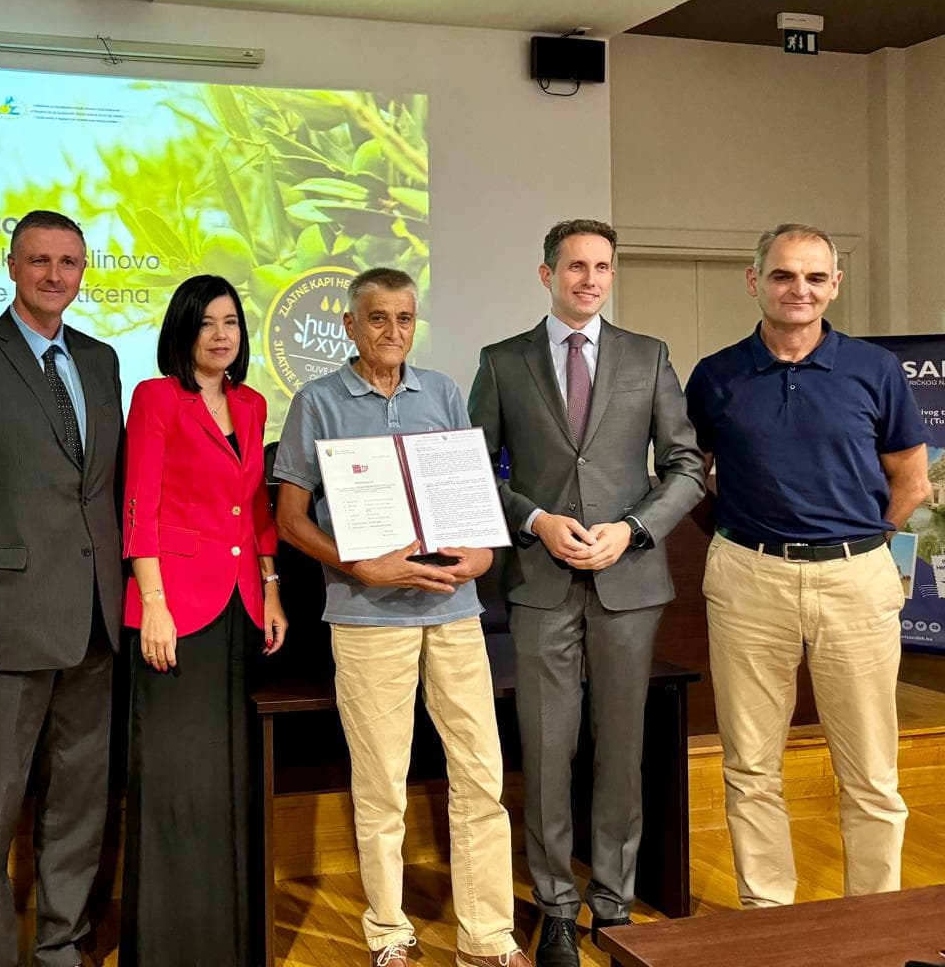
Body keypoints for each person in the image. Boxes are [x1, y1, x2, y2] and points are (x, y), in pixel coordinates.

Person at [273, 267, 531, 967]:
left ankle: (488, 937)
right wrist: (359, 565)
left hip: (453, 610)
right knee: (381, 781)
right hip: (366, 617)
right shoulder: (317, 401)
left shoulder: (442, 392)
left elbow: (469, 497)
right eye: (378, 318)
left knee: (480, 773)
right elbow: (290, 519)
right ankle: (388, 931)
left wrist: (483, 553)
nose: (393, 331)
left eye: (404, 318)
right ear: (350, 326)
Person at [468, 219, 703, 965]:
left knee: (621, 748)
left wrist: (632, 530)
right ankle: (557, 909)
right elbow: (473, 468)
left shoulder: (648, 355)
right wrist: (534, 519)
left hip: (628, 583)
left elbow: (686, 466)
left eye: (602, 267)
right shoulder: (503, 361)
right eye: (576, 266)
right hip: (539, 583)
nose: (590, 279)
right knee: (547, 750)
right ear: (548, 275)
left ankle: (614, 901)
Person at [685, 222, 929, 908]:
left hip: (856, 579)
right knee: (750, 765)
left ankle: (874, 922)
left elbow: (912, 482)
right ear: (754, 281)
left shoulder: (875, 370)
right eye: (784, 275)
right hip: (748, 578)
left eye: (816, 277)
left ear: (835, 285)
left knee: (871, 772)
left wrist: (861, 542)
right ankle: (767, 915)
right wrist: (742, 534)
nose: (800, 289)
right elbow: (690, 476)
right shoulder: (716, 376)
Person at [0, 210, 124, 967]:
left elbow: (98, 490)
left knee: (79, 801)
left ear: (83, 271)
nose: (53, 275)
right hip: (1, 631)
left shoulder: (100, 360)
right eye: (38, 260)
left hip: (94, 624)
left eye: (68, 262)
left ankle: (60, 943)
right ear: (11, 267)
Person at [119, 275, 288, 967]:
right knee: (177, 777)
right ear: (183, 331)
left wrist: (271, 588)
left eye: (232, 322)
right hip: (176, 609)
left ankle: (230, 942)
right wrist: (153, 603)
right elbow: (139, 504)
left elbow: (256, 509)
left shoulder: (251, 403)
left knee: (228, 778)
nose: (222, 336)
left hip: (240, 606)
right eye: (207, 323)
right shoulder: (155, 397)